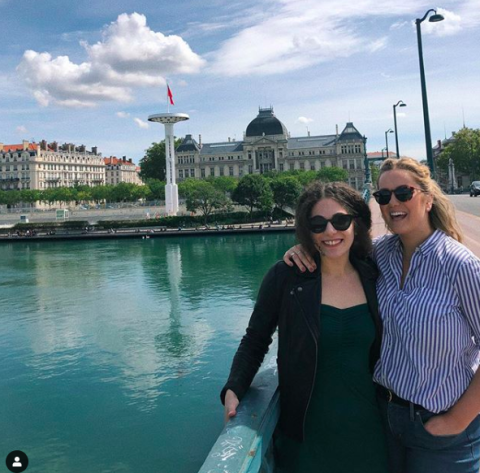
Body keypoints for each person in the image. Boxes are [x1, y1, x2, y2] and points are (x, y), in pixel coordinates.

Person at [284, 158, 480, 473]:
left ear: (428, 199)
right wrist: (303, 249)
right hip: (387, 419)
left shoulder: (459, 265)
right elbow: (335, 245)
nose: (393, 203)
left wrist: (456, 420)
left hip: (442, 428)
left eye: (404, 193)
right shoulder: (381, 253)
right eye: (383, 197)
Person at [221, 181, 388, 473]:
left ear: (356, 224)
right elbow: (256, 339)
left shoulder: (374, 274)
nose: (330, 232)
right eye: (318, 224)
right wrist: (235, 386)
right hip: (306, 435)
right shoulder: (286, 278)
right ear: (306, 230)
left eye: (340, 221)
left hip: (371, 431)